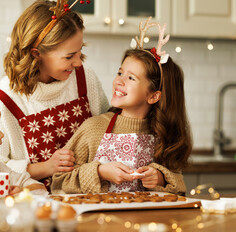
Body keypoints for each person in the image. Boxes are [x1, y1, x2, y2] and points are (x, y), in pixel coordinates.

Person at [51, 20, 192, 195]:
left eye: (131, 78)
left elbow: (179, 185)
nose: (119, 81)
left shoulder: (162, 135)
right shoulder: (94, 129)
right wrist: (100, 172)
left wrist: (160, 178)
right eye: (120, 73)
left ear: (154, 96)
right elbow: (58, 182)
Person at [0, 0, 109, 190]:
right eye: (69, 56)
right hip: (37, 201)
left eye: (80, 52)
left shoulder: (84, 77)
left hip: (91, 192)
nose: (78, 63)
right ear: (37, 54)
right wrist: (46, 167)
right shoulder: (4, 100)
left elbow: (107, 130)